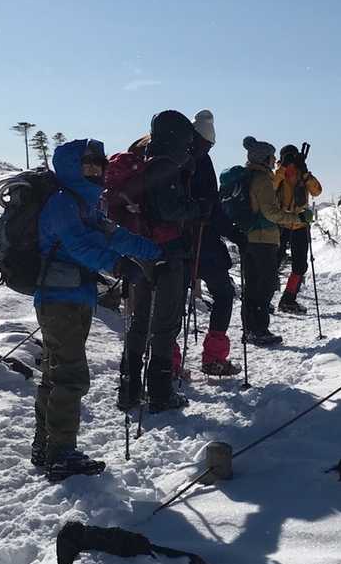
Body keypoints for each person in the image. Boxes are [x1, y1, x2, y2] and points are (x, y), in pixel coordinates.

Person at [34, 138, 159, 481]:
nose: (94, 171)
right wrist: (118, 266)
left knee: (56, 373)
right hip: (60, 299)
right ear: (71, 167)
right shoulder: (63, 202)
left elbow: (116, 236)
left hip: (73, 296)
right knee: (69, 374)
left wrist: (155, 252)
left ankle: (46, 446)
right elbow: (78, 245)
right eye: (87, 165)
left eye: (98, 166)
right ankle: (61, 452)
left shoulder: (86, 204)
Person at [118, 110, 203, 411]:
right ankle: (159, 391)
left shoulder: (145, 159)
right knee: (165, 325)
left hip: (140, 252)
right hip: (165, 253)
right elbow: (169, 210)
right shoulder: (165, 166)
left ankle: (128, 389)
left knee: (139, 322)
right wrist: (195, 208)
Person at [238, 136, 309, 346]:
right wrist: (297, 218)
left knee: (252, 285)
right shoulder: (263, 180)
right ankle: (259, 329)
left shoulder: (248, 177)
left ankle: (250, 329)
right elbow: (270, 212)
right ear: (264, 159)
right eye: (271, 157)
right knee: (266, 285)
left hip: (248, 237)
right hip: (264, 239)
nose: (274, 160)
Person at [189, 110, 240, 375]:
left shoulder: (170, 156)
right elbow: (213, 206)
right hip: (203, 240)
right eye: (209, 144)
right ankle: (213, 358)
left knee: (172, 304)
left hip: (171, 240)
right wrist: (234, 234)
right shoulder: (202, 161)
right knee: (223, 293)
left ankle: (167, 365)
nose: (209, 148)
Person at [274, 144, 323, 315]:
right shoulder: (279, 172)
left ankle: (288, 299)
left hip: (299, 225)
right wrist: (283, 168)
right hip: (282, 223)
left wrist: (305, 173)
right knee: (273, 263)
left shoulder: (302, 173)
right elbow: (271, 187)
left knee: (300, 265)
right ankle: (264, 298)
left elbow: (317, 191)